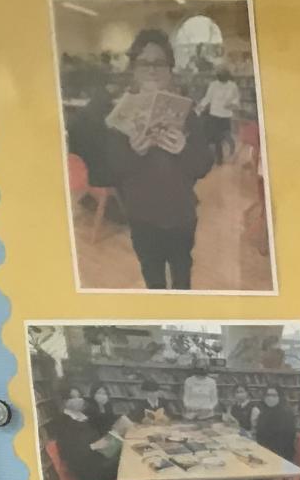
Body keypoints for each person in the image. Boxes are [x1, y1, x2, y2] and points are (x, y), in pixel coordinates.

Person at [86, 29, 216, 290]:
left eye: (159, 63)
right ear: (134, 68)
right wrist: (134, 152)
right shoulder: (118, 116)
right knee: (152, 276)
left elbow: (202, 166)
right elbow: (109, 171)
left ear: (170, 69)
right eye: (144, 63)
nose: (152, 70)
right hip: (141, 215)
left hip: (181, 214)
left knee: (182, 274)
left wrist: (184, 150)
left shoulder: (188, 112)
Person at [47, 391, 119, 480]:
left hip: (96, 462)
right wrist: (93, 446)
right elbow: (67, 453)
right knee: (125, 463)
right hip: (87, 472)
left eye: (80, 397)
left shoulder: (81, 417)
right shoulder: (64, 422)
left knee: (123, 453)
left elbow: (91, 435)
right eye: (73, 397)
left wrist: (103, 442)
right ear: (64, 401)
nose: (79, 400)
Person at [200, 69, 242, 162]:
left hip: (226, 115)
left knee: (226, 135)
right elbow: (208, 98)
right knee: (216, 137)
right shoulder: (213, 85)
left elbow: (236, 99)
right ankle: (219, 158)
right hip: (214, 114)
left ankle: (232, 150)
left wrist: (232, 104)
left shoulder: (232, 86)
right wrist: (201, 106)